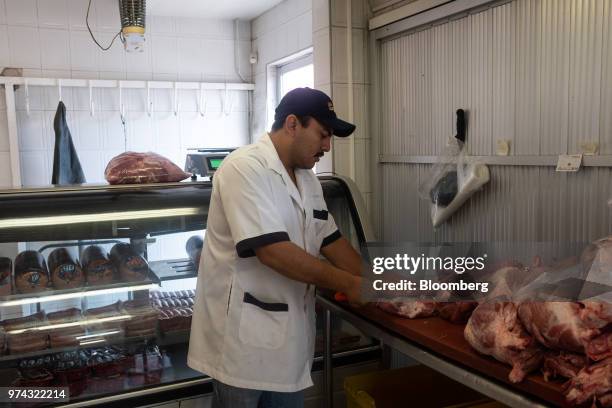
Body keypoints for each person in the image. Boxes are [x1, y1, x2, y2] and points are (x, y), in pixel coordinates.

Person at [187, 87, 364, 408]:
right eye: (323, 134)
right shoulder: (244, 168)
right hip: (242, 346)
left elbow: (331, 240)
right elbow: (272, 251)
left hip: (291, 346)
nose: (327, 146)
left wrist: (382, 285)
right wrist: (350, 284)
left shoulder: (307, 178)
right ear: (293, 124)